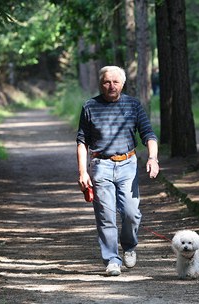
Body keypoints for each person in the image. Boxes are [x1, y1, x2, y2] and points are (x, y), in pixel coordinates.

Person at [76, 66, 160, 276]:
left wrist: (153, 158)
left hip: (127, 164)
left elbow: (149, 134)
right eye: (106, 82)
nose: (111, 86)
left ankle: (129, 246)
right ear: (100, 83)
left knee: (131, 213)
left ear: (123, 84)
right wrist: (82, 172)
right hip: (100, 165)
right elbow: (81, 142)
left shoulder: (133, 105)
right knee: (105, 215)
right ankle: (112, 259)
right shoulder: (90, 106)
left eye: (115, 82)